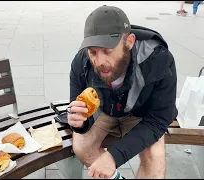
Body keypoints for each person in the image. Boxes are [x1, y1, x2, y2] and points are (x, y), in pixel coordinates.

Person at [67, 5, 177, 179]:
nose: (99, 61)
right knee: (81, 145)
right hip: (104, 111)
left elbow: (159, 119)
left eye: (107, 51)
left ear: (129, 41)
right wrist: (79, 122)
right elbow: (78, 109)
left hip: (141, 116)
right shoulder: (81, 62)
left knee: (155, 160)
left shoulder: (158, 59)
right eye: (93, 52)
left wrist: (113, 156)